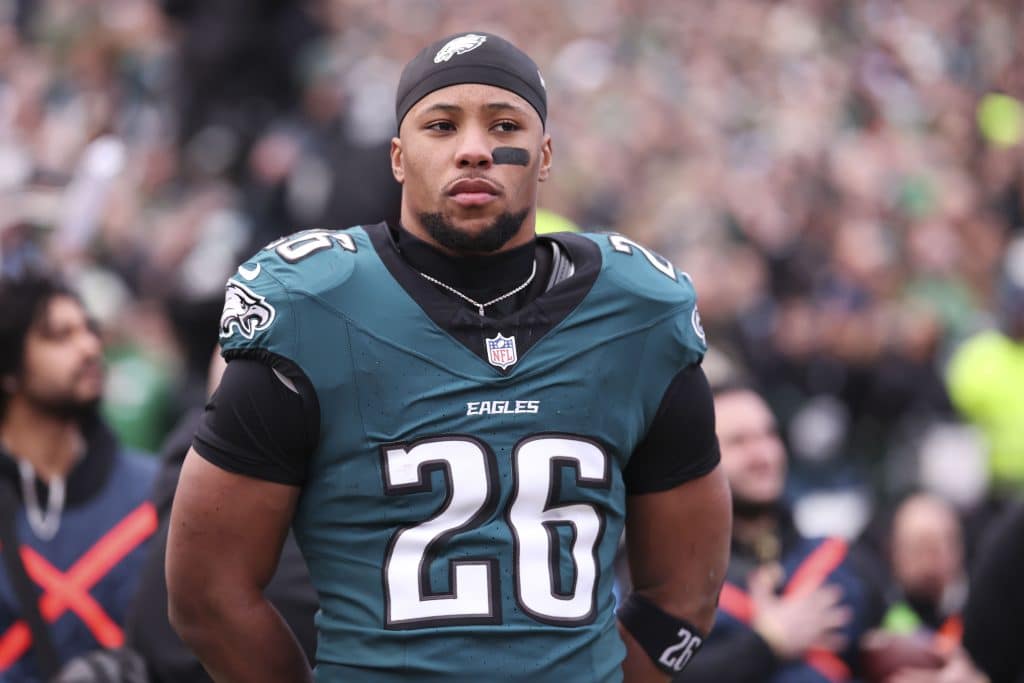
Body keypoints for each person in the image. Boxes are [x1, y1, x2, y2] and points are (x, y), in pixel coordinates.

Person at [166, 31, 731, 682]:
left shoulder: (636, 313)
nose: (474, 149)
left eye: (504, 125)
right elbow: (206, 596)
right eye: (441, 125)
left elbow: (685, 591)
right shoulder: (312, 306)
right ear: (399, 157)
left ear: (543, 155)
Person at [0, 271, 159, 681]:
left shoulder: (154, 493)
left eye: (90, 329)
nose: (90, 347)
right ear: (9, 370)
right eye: (58, 335)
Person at [681, 381, 884, 682]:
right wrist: (766, 644)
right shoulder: (665, 578)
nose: (762, 455)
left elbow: (893, 627)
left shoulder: (840, 558)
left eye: (769, 435)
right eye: (739, 441)